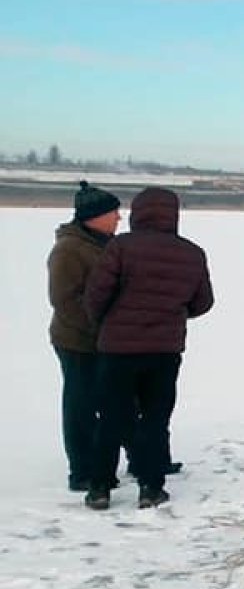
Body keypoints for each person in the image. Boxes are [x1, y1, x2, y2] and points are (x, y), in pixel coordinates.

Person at [82, 186, 214, 510]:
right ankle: (151, 487)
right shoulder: (192, 253)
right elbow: (203, 302)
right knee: (155, 418)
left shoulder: (120, 247)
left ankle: (99, 487)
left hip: (117, 350)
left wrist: (107, 321)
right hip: (164, 351)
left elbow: (96, 295)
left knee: (111, 418)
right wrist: (172, 312)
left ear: (138, 213)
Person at [48, 181, 121, 492]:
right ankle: (81, 472)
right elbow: (65, 301)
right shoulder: (69, 250)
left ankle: (102, 466)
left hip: (105, 341)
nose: (119, 218)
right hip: (77, 342)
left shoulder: (105, 244)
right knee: (80, 406)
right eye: (113, 213)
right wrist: (100, 328)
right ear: (94, 216)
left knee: (109, 403)